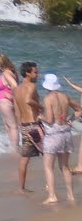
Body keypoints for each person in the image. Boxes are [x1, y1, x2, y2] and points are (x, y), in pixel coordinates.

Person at [41, 72, 77, 206]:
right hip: (66, 133)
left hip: (53, 135)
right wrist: (71, 120)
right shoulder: (65, 96)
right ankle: (71, 195)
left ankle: (52, 196)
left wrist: (40, 117)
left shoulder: (48, 98)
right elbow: (79, 109)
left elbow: (49, 120)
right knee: (65, 167)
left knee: (48, 167)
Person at [16, 60, 44, 193]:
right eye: (35, 72)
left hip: (24, 125)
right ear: (28, 73)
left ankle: (21, 188)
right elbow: (28, 100)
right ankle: (50, 184)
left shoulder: (16, 89)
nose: (38, 75)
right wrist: (41, 107)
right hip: (34, 125)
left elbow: (17, 110)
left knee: (24, 158)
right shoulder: (31, 86)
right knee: (48, 153)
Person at [0, 55, 23, 146]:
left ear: (2, 63)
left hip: (6, 102)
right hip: (6, 102)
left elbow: (15, 85)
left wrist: (11, 96)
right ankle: (13, 146)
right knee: (9, 126)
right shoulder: (11, 72)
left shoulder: (6, 73)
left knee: (12, 127)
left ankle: (15, 149)